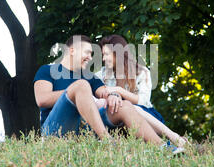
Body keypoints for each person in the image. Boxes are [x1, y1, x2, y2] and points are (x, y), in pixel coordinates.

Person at [33, 35, 172, 146]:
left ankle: (164, 147)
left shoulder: (90, 76)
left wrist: (112, 95)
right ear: (72, 50)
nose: (90, 57)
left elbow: (103, 91)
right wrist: (75, 93)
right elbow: (42, 100)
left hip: (84, 131)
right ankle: (107, 141)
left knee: (125, 106)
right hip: (56, 130)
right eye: (87, 52)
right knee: (81, 85)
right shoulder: (47, 70)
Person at [95, 34, 187, 152]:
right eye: (103, 55)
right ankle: (163, 143)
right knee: (125, 108)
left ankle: (172, 139)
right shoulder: (100, 75)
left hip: (147, 116)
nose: (103, 59)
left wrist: (118, 90)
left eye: (106, 54)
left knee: (132, 107)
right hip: (118, 119)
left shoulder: (141, 72)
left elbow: (143, 101)